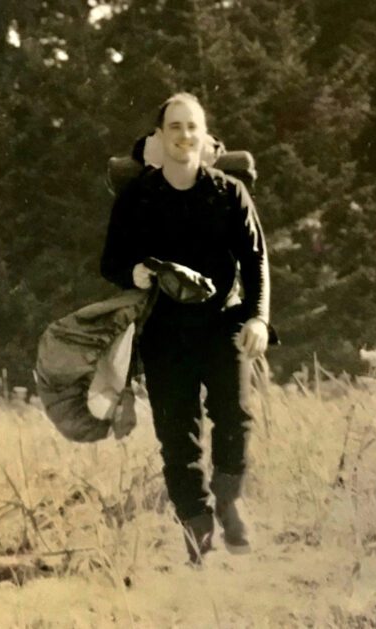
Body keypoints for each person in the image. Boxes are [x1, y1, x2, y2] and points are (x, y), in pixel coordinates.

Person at [100, 92, 274, 563]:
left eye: (192, 126)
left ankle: (229, 500)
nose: (184, 135)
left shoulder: (228, 192)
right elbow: (111, 261)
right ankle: (196, 529)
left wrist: (258, 317)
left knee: (235, 417)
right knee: (178, 435)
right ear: (159, 137)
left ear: (205, 136)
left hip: (223, 324)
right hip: (163, 330)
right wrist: (133, 273)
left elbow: (255, 261)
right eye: (174, 127)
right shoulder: (139, 197)